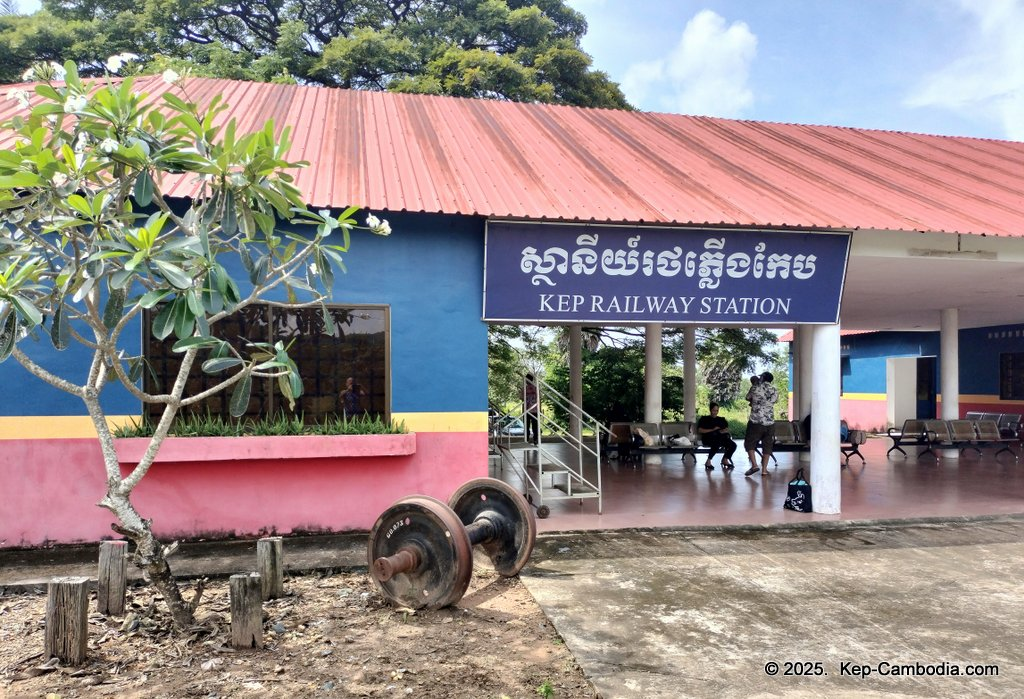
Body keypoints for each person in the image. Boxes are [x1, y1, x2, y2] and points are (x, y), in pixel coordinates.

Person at [744, 371, 778, 477]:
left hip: (756, 421)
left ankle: (754, 465)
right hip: (770, 422)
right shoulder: (774, 390)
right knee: (767, 446)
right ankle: (764, 470)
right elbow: (773, 401)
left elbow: (747, 397)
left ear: (763, 378)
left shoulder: (755, 388)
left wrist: (755, 384)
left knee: (749, 443)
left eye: (760, 377)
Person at [697, 402, 737, 471]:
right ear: (710, 410)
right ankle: (708, 461)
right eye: (713, 410)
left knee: (733, 445)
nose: (715, 412)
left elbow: (726, 429)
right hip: (708, 438)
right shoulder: (704, 419)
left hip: (721, 438)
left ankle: (725, 459)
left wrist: (724, 431)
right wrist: (712, 429)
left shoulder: (721, 420)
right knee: (717, 442)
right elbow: (700, 430)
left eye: (717, 411)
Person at [523, 373, 539, 444]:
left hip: (531, 409)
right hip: (531, 410)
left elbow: (521, 398)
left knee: (529, 426)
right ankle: (534, 439)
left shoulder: (533, 388)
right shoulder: (535, 387)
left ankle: (529, 439)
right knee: (532, 426)